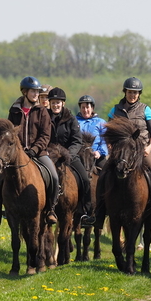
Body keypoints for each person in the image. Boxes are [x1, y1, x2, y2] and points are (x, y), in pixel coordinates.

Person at [92, 77, 151, 227]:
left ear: (139, 94)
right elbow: (108, 131)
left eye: (135, 93)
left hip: (141, 152)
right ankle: (99, 213)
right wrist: (110, 145)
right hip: (120, 153)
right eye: (130, 92)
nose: (132, 95)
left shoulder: (145, 109)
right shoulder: (115, 110)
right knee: (103, 176)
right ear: (125, 92)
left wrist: (148, 148)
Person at [0, 76, 59, 225]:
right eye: (33, 91)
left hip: (38, 153)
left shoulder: (42, 111)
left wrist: (34, 150)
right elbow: (9, 133)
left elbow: (45, 135)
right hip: (17, 155)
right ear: (25, 92)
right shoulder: (15, 110)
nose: (36, 94)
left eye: (37, 92)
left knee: (54, 177)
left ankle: (51, 210)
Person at [47, 87, 93, 224]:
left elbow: (77, 140)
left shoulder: (71, 119)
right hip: (49, 156)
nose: (56, 105)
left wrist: (68, 154)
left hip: (68, 156)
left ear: (63, 103)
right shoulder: (44, 117)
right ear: (50, 103)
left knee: (85, 179)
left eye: (58, 102)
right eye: (53, 102)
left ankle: (86, 211)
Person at [76, 94, 108, 169]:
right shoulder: (74, 121)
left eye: (87, 107)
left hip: (96, 155)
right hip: (78, 156)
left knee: (107, 172)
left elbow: (104, 141)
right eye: (83, 107)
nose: (85, 110)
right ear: (80, 108)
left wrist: (99, 152)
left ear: (92, 108)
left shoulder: (101, 122)